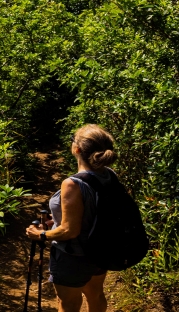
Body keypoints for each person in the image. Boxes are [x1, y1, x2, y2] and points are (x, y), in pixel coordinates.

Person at [25, 124, 118, 312]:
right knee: (96, 295)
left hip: (73, 256)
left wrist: (41, 234)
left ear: (76, 149)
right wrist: (59, 217)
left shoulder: (72, 184)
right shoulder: (109, 176)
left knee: (68, 304)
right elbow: (95, 210)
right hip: (100, 251)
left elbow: (69, 230)